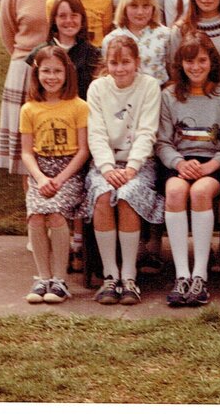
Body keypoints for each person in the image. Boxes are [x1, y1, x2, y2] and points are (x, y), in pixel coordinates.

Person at [85, 35, 164, 305]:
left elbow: (146, 131)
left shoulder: (150, 86)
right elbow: (96, 133)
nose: (120, 69)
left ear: (137, 62)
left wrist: (131, 168)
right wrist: (107, 169)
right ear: (106, 64)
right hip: (105, 163)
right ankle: (110, 276)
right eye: (114, 63)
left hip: (139, 163)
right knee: (103, 196)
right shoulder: (97, 89)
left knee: (128, 195)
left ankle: (129, 276)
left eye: (126, 62)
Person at [157, 33, 220, 307]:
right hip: (180, 161)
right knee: (176, 192)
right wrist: (178, 163)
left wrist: (213, 165)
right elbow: (163, 142)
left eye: (202, 60)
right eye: (189, 61)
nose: (196, 67)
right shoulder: (170, 95)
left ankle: (200, 275)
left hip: (215, 163)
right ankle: (182, 275)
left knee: (201, 193)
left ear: (212, 61)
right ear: (180, 64)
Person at [19, 46, 89, 304]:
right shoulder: (29, 109)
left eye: (57, 71)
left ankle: (60, 280)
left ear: (67, 73)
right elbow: (26, 152)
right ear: (37, 74)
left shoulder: (78, 106)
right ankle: (43, 277)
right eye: (46, 71)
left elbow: (83, 150)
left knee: (56, 214)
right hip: (41, 172)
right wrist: (40, 178)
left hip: (69, 173)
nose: (52, 77)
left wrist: (60, 179)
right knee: (36, 216)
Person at [0, 0, 68, 176]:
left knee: (58, 132)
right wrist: (27, 59)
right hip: (25, 70)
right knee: (27, 139)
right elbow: (8, 32)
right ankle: (32, 203)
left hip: (62, 70)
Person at [102, 0, 171, 84]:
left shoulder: (165, 35)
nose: (140, 12)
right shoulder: (111, 39)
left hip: (158, 94)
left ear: (153, 7)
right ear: (124, 7)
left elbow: (172, 69)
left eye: (146, 6)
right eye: (134, 6)